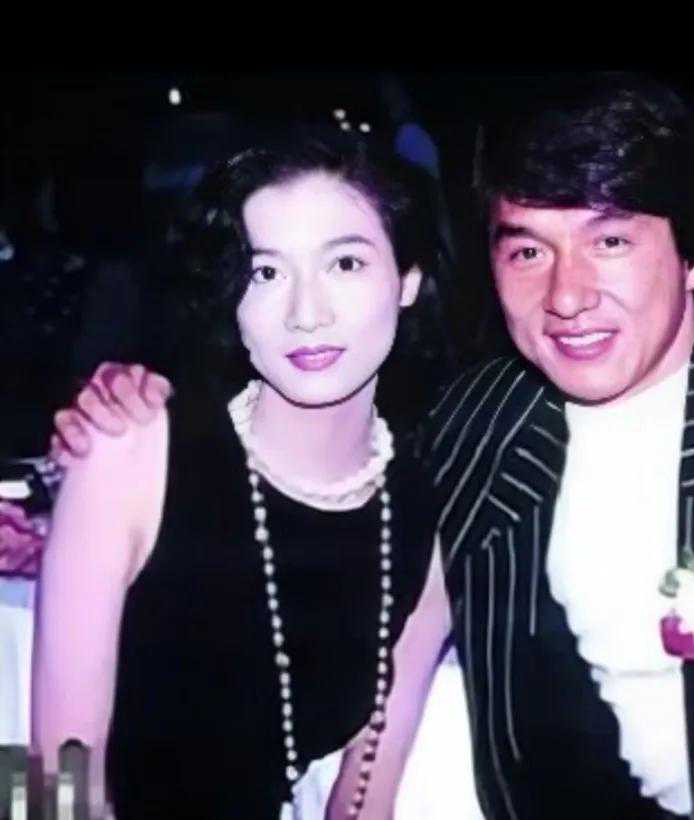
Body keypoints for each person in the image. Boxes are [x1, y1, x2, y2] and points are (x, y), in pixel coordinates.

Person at [53, 74, 694, 820]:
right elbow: (27, 761)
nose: (566, 295)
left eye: (609, 241)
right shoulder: (476, 432)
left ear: (693, 254)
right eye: (527, 249)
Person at [33, 130, 454, 820]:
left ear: (406, 280)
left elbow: (365, 797)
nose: (306, 313)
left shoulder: (420, 516)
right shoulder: (133, 452)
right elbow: (52, 778)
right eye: (265, 273)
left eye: (345, 263)